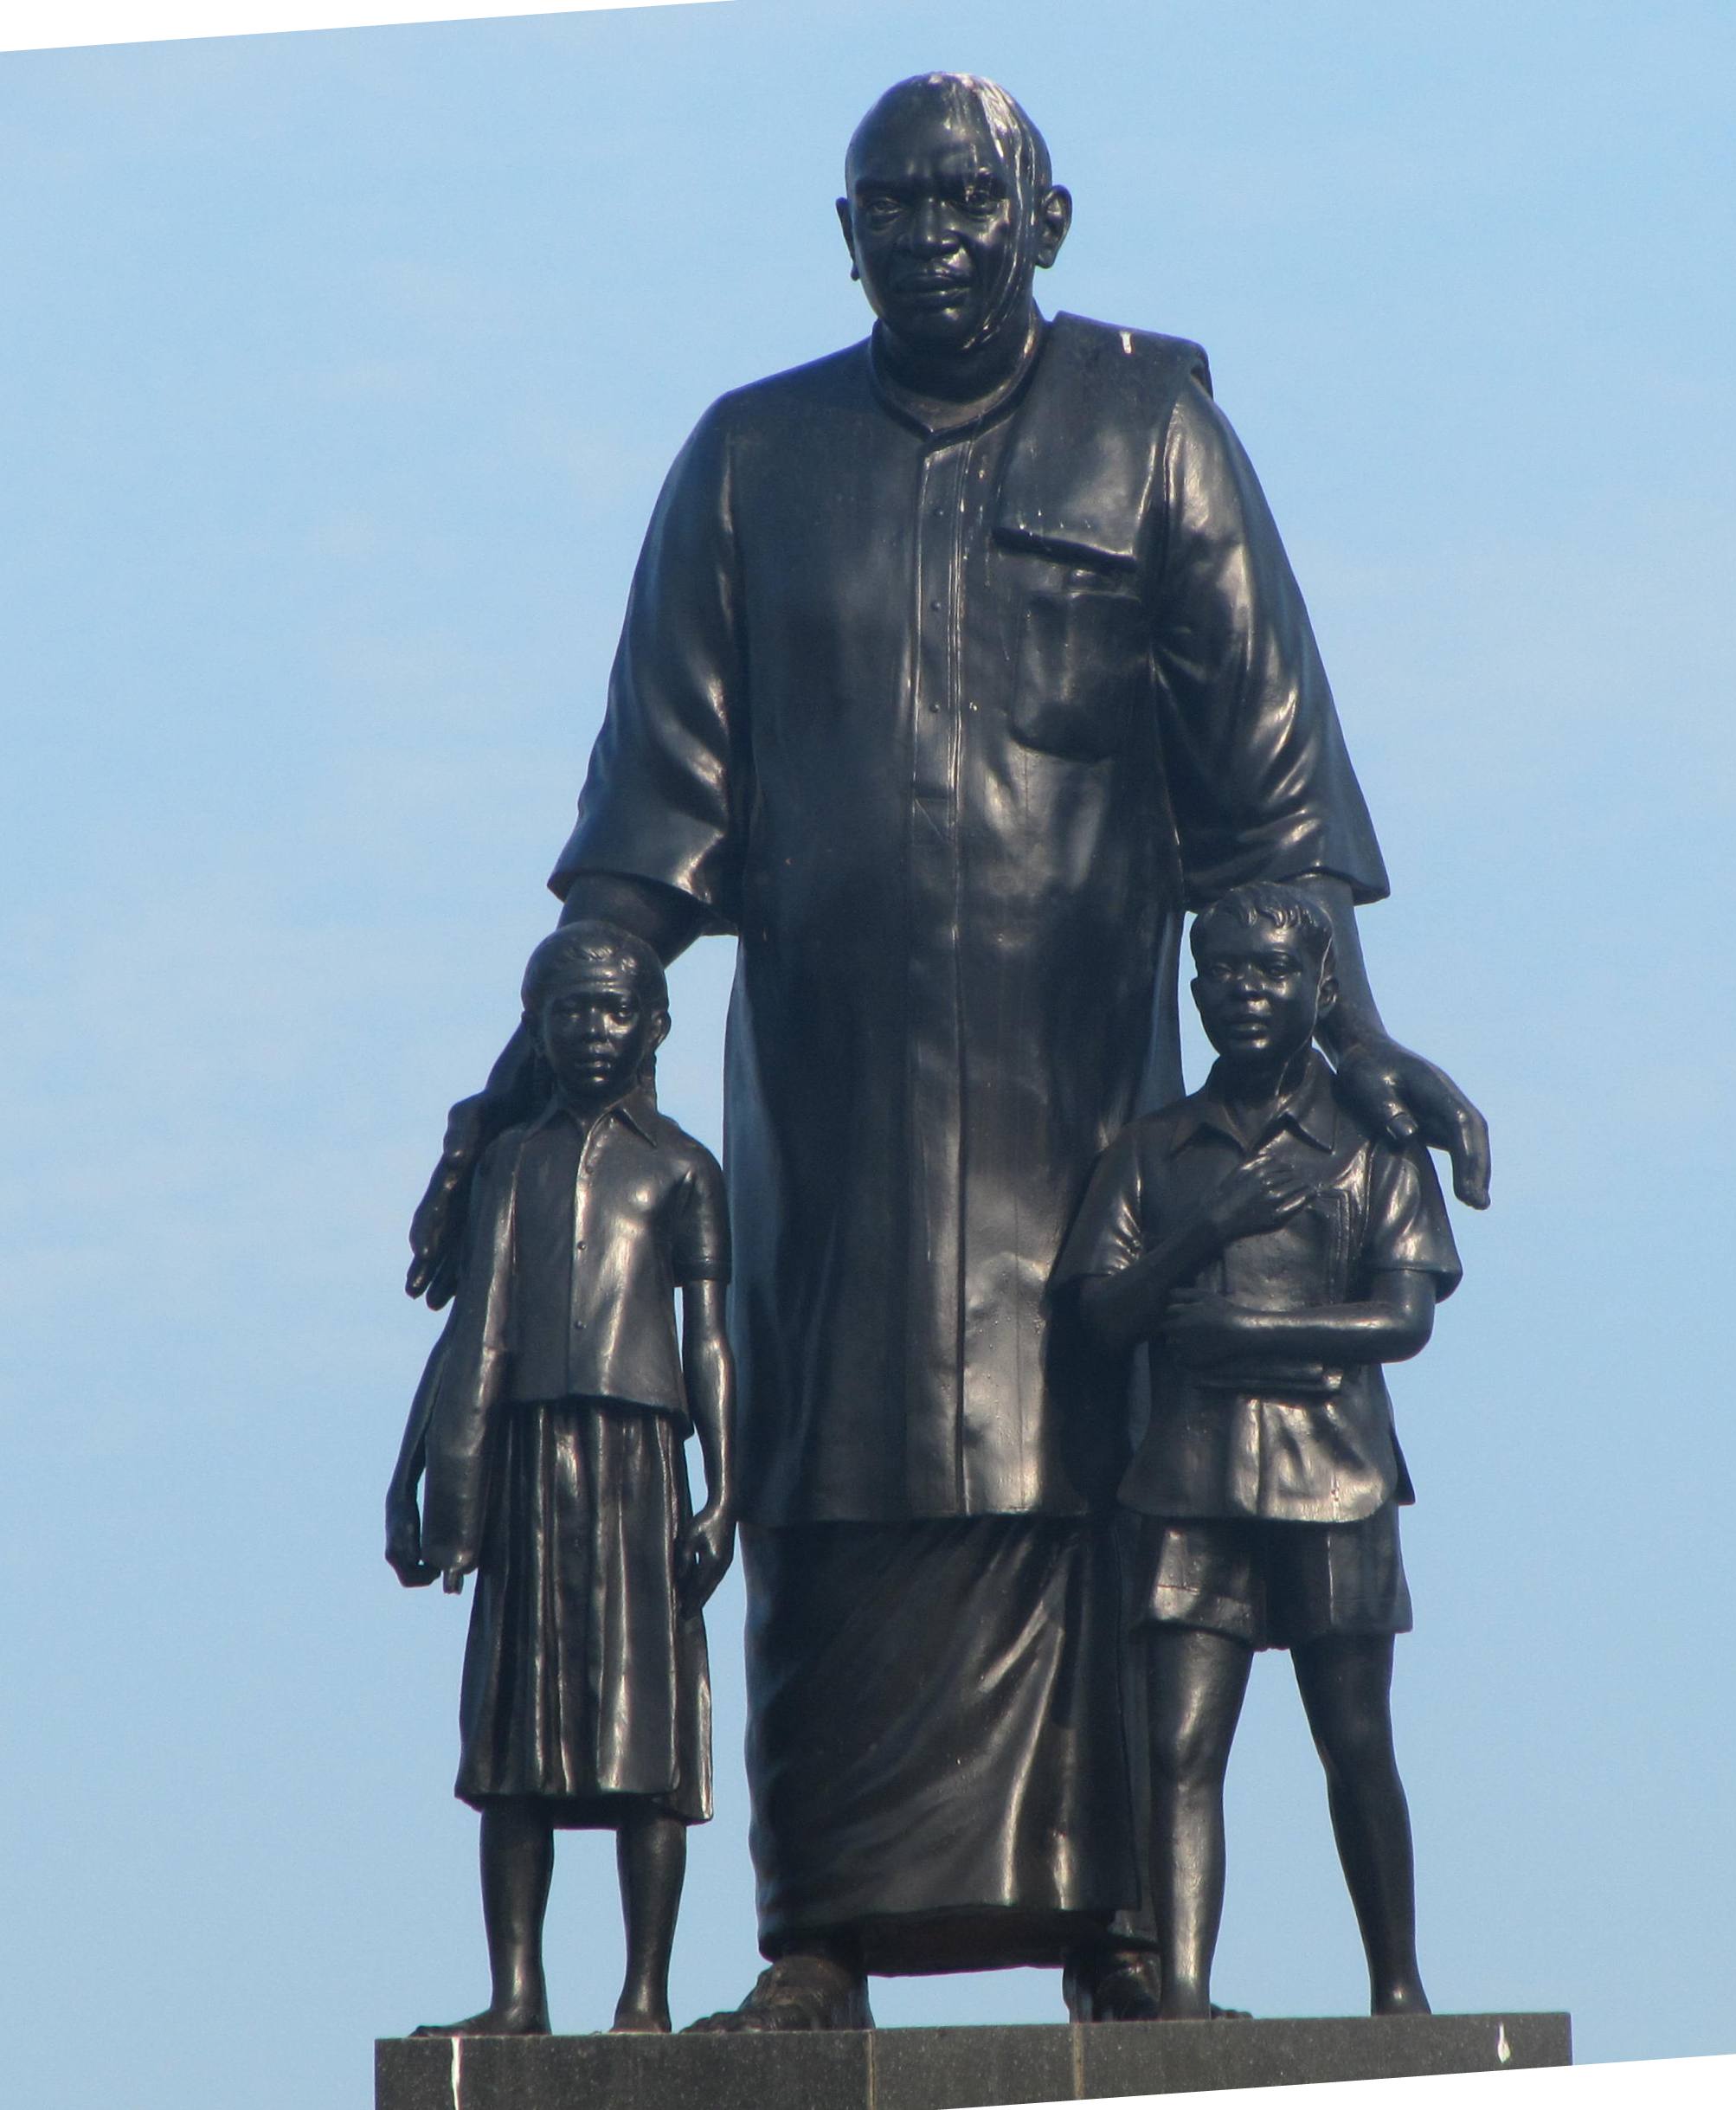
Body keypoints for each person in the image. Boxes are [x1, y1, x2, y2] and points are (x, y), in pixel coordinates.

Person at [402, 73, 1490, 2029]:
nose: (929, 237)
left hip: (1082, 1105)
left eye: (965, 200)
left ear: (1043, 221)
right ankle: (817, 1929)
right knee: (828, 1459)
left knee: (1089, 1470)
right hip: (829, 1109)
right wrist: (506, 1102)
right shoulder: (750, 462)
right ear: (845, 239)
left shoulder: (1156, 439)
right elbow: (643, 838)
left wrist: (1359, 1037)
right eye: (892, 207)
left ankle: (1121, 1927)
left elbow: (1269, 808)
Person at [1057, 881, 1462, 2020]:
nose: (1244, 992)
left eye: (1269, 971)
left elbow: (1404, 1318)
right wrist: (1209, 1226)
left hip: (1337, 1475)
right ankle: (1182, 1997)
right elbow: (1100, 1315)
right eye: (1224, 972)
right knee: (1180, 1746)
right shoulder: (1152, 1151)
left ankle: (1397, 1987)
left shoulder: (1371, 1146)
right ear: (1194, 992)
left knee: (1355, 1740)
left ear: (1315, 986)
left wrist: (1249, 1331)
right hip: (1190, 1478)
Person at [386, 923, 736, 2036]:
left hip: (642, 1462)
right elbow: (470, 1334)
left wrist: (723, 1488)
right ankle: (516, 1994)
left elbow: (710, 1340)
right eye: (571, 1009)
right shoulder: (510, 1162)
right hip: (527, 1461)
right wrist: (423, 1478)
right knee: (511, 1743)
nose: (592, 1028)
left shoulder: (683, 1167)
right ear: (536, 1027)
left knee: (650, 1740)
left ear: (654, 1025)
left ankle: (645, 1996)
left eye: (613, 1008)